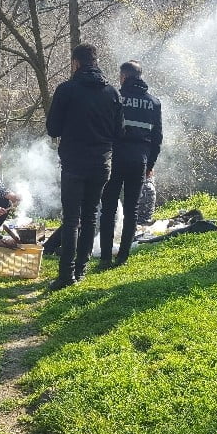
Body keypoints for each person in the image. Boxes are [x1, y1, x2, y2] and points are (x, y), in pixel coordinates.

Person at [46, 43, 124, 290]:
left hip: (73, 162)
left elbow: (53, 129)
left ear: (75, 63)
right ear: (95, 61)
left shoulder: (66, 90)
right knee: (90, 216)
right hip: (101, 163)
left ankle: (66, 275)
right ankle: (80, 269)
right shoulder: (112, 93)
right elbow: (119, 132)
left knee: (71, 219)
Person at [98, 60, 163, 269]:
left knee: (108, 208)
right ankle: (123, 256)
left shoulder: (115, 97)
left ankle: (105, 257)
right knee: (132, 209)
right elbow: (157, 138)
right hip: (139, 161)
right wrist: (150, 164)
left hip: (115, 159)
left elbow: (104, 129)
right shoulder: (154, 102)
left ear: (124, 77)